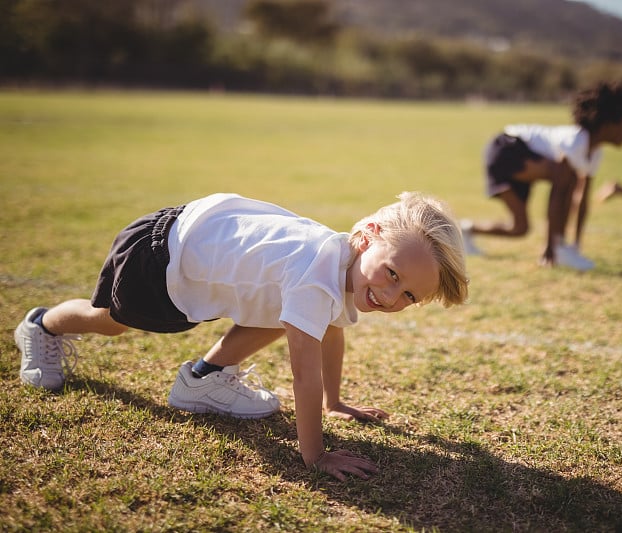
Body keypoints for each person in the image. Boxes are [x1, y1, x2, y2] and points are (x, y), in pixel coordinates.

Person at [14, 191, 469, 481]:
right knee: (111, 322)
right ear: (368, 236)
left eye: (408, 295)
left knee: (289, 311)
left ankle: (205, 377)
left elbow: (331, 331)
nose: (391, 296)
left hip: (187, 241)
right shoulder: (315, 274)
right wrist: (316, 456)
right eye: (392, 274)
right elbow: (303, 374)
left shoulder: (339, 263)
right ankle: (42, 324)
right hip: (161, 257)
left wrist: (336, 403)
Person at [461, 82, 622, 270]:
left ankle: (464, 230)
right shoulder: (575, 142)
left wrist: (575, 245)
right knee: (565, 178)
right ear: (607, 125)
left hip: (525, 157)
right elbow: (559, 194)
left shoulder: (595, 153)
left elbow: (582, 199)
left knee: (520, 228)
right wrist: (550, 248)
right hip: (507, 147)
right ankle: (557, 247)